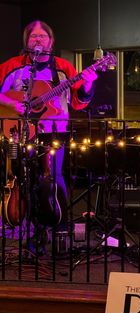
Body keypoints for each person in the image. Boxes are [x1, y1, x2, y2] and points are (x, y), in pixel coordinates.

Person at [0, 20, 97, 208]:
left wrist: (87, 84)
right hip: (20, 132)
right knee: (21, 176)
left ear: (51, 41)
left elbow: (79, 103)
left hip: (54, 131)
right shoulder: (12, 66)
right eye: (33, 36)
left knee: (53, 175)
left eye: (42, 36)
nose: (38, 40)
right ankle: (21, 218)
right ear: (26, 41)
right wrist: (12, 105)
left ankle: (55, 220)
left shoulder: (63, 67)